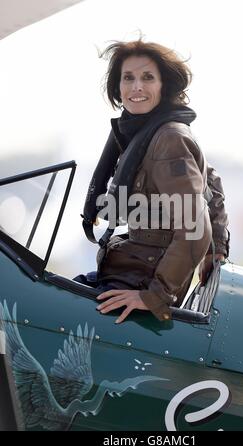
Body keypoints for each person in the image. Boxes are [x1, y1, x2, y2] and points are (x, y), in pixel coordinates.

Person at [79, 39, 229, 324]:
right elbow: (212, 183)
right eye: (128, 78)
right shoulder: (148, 132)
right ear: (117, 87)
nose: (137, 87)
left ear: (164, 86)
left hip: (139, 283)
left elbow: (195, 227)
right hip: (127, 269)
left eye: (148, 78)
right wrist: (217, 248)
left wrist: (155, 296)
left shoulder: (169, 139)